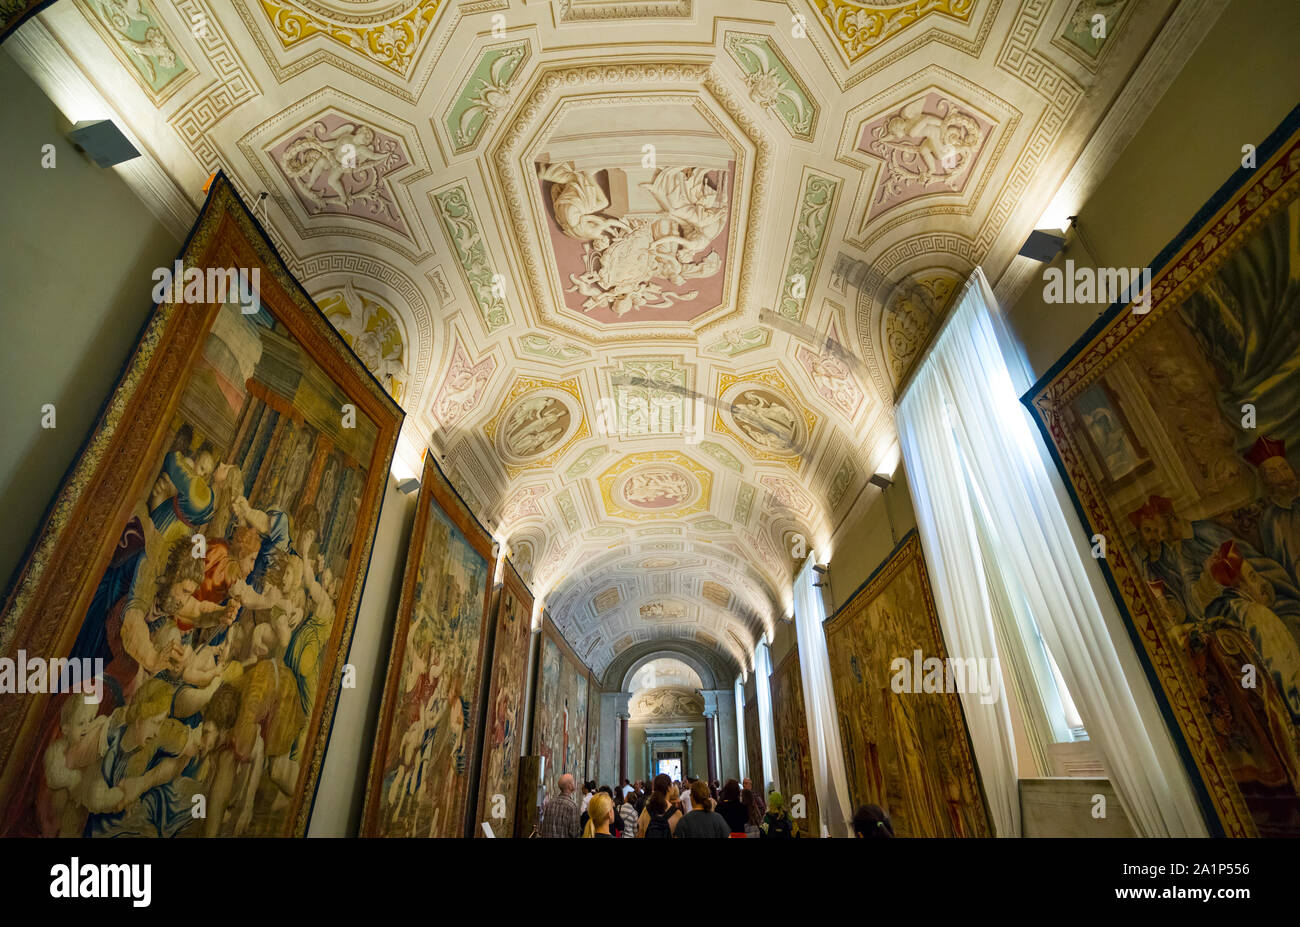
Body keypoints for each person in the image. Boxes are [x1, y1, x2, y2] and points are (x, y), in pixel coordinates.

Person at [638, 773, 681, 838]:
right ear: (669, 788)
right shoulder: (677, 813)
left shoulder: (646, 810)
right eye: (672, 785)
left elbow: (640, 834)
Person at [540, 773, 581, 838]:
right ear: (570, 786)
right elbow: (574, 833)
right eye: (573, 781)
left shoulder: (550, 803)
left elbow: (544, 828)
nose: (575, 783)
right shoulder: (572, 806)